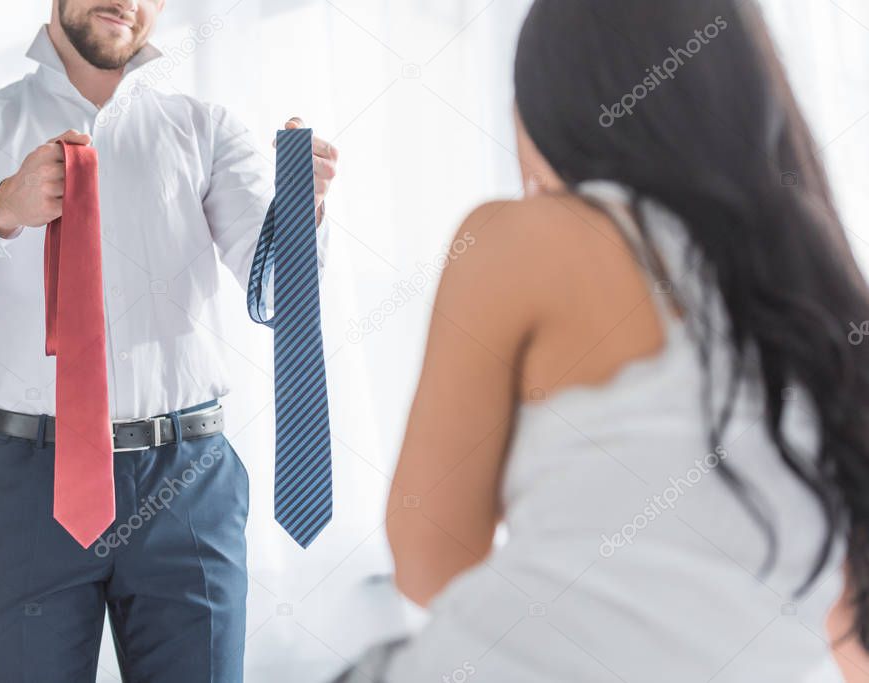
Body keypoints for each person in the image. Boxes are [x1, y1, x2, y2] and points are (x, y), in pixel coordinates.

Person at [336, 1, 869, 681]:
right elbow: (844, 621)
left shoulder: (517, 239)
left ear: (550, 105)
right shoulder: (815, 282)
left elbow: (426, 557)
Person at [0, 1, 338, 681]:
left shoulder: (206, 128)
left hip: (187, 481)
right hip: (23, 486)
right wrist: (3, 205)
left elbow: (272, 288)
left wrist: (301, 218)